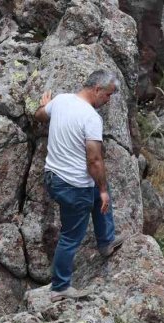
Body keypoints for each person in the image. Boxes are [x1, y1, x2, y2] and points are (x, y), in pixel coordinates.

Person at [34, 69, 127, 302]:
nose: (108, 100)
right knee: (71, 235)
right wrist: (103, 191)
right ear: (97, 89)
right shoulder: (91, 118)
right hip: (74, 186)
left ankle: (106, 241)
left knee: (99, 187)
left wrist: (45, 106)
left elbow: (39, 115)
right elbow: (94, 160)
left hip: (54, 177)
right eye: (108, 95)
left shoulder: (61, 100)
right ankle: (60, 287)